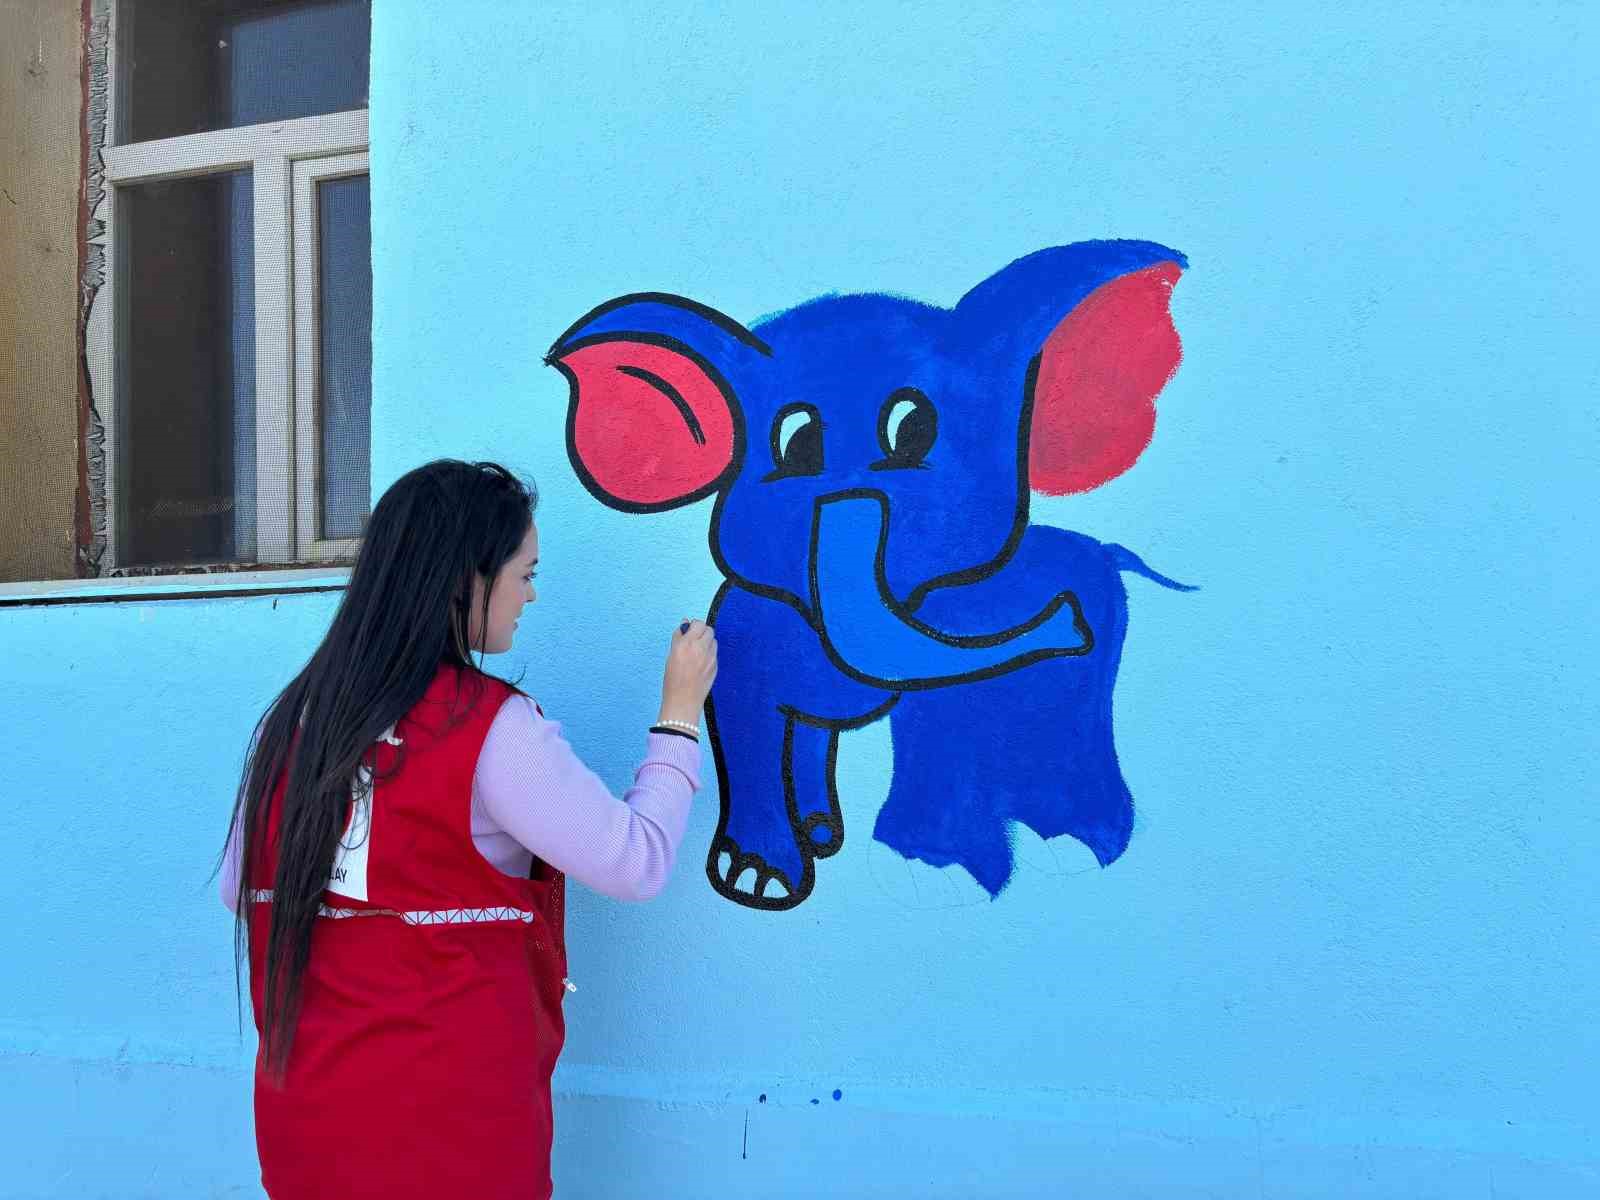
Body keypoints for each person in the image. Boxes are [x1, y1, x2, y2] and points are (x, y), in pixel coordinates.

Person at [218, 459, 716, 1199]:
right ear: (464, 580)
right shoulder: (489, 729)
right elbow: (635, 863)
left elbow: (240, 892)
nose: (531, 595)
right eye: (524, 573)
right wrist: (679, 714)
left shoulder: (291, 724)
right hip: (453, 1139)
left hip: (307, 1133)